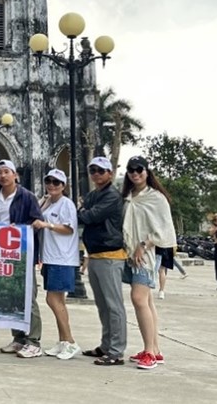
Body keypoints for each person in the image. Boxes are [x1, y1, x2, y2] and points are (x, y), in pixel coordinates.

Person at [121, 156, 176, 370]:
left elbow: (165, 228)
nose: (135, 173)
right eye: (131, 170)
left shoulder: (156, 198)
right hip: (130, 254)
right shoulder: (128, 197)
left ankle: (149, 352)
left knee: (138, 298)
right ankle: (155, 349)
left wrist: (144, 245)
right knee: (147, 300)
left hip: (147, 254)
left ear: (147, 171)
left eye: (139, 169)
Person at [0, 159, 45, 358]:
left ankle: (34, 341)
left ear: (15, 175)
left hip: (22, 253)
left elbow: (37, 221)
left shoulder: (27, 196)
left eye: (7, 172)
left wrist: (20, 229)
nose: (3, 176)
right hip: (1, 253)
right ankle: (18, 338)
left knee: (28, 298)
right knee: (12, 296)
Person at [78, 156, 128, 366]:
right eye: (93, 171)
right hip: (95, 254)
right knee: (102, 305)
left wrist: (84, 212)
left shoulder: (112, 196)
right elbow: (82, 213)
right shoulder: (94, 194)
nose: (96, 174)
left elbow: (89, 216)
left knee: (114, 305)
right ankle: (106, 345)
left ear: (110, 173)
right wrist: (84, 211)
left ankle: (116, 351)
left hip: (110, 255)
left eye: (100, 170)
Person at [31, 169, 81, 360]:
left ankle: (70, 341)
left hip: (62, 257)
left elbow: (69, 228)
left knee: (52, 300)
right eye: (49, 181)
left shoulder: (66, 204)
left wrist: (48, 225)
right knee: (59, 300)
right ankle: (63, 341)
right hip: (50, 257)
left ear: (63, 186)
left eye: (56, 182)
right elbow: (36, 213)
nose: (52, 185)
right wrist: (44, 200)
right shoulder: (49, 203)